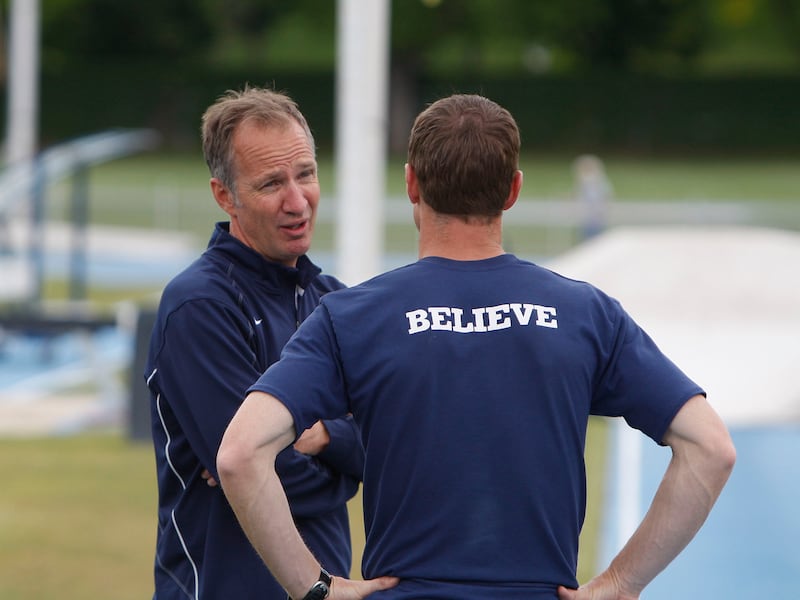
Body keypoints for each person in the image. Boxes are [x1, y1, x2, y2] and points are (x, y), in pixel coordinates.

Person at [216, 94, 736, 599]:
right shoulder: (586, 313)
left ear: (411, 183)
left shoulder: (353, 317)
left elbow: (240, 454)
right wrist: (621, 585)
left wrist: (315, 588)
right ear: (513, 190)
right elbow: (710, 448)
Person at [144, 86, 364, 599]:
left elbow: (389, 445)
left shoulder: (337, 303)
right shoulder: (198, 306)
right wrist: (344, 473)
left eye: (305, 174)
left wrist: (326, 438)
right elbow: (268, 477)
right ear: (225, 196)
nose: (297, 200)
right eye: (271, 183)